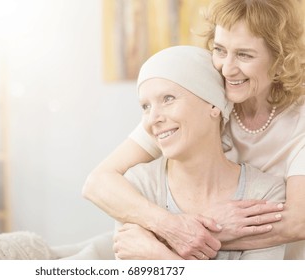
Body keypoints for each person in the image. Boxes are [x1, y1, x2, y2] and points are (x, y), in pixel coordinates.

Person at [82, 0, 305, 260]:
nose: (227, 68)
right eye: (220, 50)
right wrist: (172, 227)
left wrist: (180, 237)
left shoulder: (299, 121)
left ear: (279, 59)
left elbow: (298, 221)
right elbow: (98, 182)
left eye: (244, 55)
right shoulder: (205, 101)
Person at [112, 45, 285, 260]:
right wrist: (210, 228)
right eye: (145, 106)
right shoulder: (137, 186)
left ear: (213, 105)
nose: (152, 118)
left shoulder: (264, 194)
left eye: (168, 98)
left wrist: (159, 254)